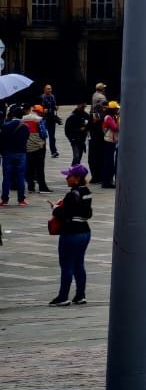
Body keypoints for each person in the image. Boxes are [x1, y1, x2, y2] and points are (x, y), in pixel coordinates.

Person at [48, 163, 93, 306]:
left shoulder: (71, 194)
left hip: (71, 232)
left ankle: (63, 297)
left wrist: (55, 208)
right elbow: (88, 213)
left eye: (69, 176)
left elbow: (62, 214)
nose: (66, 178)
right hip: (84, 231)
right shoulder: (87, 192)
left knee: (66, 264)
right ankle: (80, 295)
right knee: (79, 263)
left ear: (77, 178)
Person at [1, 104, 29, 206]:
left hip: (8, 153)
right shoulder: (26, 127)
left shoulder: (6, 126)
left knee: (7, 177)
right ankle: (21, 199)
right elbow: (26, 139)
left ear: (12, 114)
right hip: (21, 153)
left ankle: (5, 199)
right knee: (21, 177)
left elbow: (2, 140)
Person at [23, 105, 51, 194]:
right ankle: (42, 187)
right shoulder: (38, 119)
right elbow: (44, 134)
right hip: (38, 146)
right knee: (39, 167)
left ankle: (31, 187)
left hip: (27, 147)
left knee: (29, 167)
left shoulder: (22, 119)